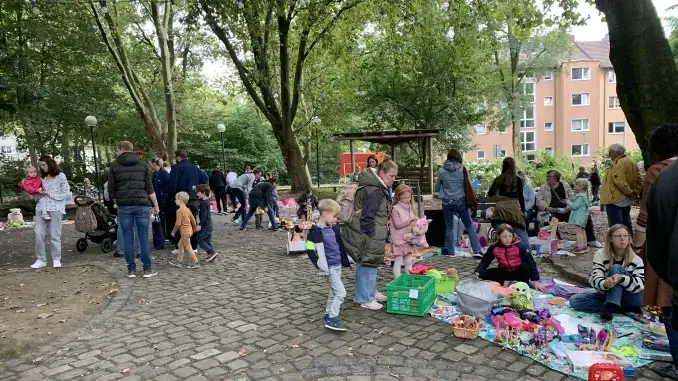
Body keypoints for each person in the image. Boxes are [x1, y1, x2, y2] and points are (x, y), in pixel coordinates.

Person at [644, 124, 678, 380]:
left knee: (668, 305)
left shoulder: (659, 173)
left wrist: (636, 248)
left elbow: (647, 220)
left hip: (671, 258)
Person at [341, 160, 398, 310]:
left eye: (395, 176)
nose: (394, 179)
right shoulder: (375, 190)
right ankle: (364, 298)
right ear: (381, 173)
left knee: (370, 262)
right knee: (367, 261)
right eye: (391, 176)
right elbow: (367, 216)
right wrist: (370, 235)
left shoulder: (375, 186)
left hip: (369, 232)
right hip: (368, 233)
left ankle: (370, 292)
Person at [570, 225, 644, 321]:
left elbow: (640, 285)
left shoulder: (636, 259)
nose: (622, 239)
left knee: (616, 268)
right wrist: (605, 283)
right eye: (618, 236)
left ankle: (610, 307)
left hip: (630, 298)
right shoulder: (601, 254)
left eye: (625, 236)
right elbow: (595, 278)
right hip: (609, 294)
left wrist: (621, 278)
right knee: (575, 300)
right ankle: (618, 309)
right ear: (610, 238)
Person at [108, 141, 160, 278]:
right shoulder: (143, 165)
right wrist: (156, 205)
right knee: (143, 236)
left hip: (124, 206)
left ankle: (131, 269)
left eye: (117, 149)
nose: (116, 152)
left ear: (122, 149)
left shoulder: (114, 166)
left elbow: (111, 190)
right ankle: (147, 269)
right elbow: (149, 188)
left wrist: (116, 202)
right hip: (142, 204)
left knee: (127, 237)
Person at [306, 199, 351, 331]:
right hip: (329, 267)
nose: (336, 219)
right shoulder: (315, 232)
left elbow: (337, 245)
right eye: (335, 216)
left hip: (337, 265)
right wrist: (319, 264)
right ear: (325, 214)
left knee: (333, 292)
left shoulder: (332, 229)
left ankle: (327, 314)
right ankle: (332, 318)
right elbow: (310, 250)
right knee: (341, 293)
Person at [536, 170, 602, 247]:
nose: (548, 178)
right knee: (546, 217)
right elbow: (539, 201)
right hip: (550, 210)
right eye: (547, 176)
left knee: (585, 216)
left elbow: (572, 196)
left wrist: (569, 206)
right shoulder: (543, 187)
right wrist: (549, 208)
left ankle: (592, 240)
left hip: (567, 209)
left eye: (550, 177)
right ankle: (556, 241)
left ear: (556, 178)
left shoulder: (564, 185)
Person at [436, 149, 482, 256]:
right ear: (459, 157)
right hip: (461, 201)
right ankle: (477, 250)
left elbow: (437, 187)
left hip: (447, 203)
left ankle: (451, 252)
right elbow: (469, 185)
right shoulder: (462, 169)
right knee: (469, 225)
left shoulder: (442, 171)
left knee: (449, 227)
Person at [474, 224, 545, 291]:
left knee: (525, 266)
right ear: (499, 236)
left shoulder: (520, 246)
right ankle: (506, 283)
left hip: (519, 273)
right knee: (482, 274)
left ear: (513, 236)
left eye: (510, 236)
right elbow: (485, 260)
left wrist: (535, 281)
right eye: (504, 237)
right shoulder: (494, 248)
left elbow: (531, 262)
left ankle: (523, 284)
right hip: (505, 272)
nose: (508, 239)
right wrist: (478, 270)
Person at [30, 155, 71, 269]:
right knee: (39, 234)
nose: (42, 167)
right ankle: (41, 259)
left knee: (55, 235)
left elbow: (66, 193)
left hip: (56, 208)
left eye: (43, 165)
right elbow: (37, 194)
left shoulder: (60, 176)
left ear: (50, 163)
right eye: (40, 165)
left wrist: (51, 195)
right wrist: (33, 194)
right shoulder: (41, 178)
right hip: (41, 208)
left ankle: (56, 258)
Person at [167, 150, 208, 253]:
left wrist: (172, 197)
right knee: (192, 222)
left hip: (181, 198)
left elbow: (172, 184)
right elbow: (204, 180)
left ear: (177, 157)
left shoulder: (176, 167)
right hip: (194, 198)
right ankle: (193, 246)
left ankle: (179, 246)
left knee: (179, 222)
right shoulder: (195, 168)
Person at [600, 144, 642, 234]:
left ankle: (619, 246)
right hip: (625, 199)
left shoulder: (618, 163)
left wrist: (631, 193)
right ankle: (630, 245)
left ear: (617, 152)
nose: (609, 155)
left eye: (610, 152)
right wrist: (635, 192)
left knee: (616, 226)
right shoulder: (631, 161)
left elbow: (620, 181)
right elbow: (640, 179)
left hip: (615, 200)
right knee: (626, 223)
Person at [487, 157, 529, 245]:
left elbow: (490, 193)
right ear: (514, 166)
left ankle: (501, 253)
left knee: (500, 232)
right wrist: (524, 210)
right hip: (513, 208)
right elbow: (520, 196)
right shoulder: (518, 179)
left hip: (500, 208)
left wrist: (499, 196)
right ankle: (527, 251)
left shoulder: (499, 178)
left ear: (503, 166)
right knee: (521, 231)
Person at [390, 184, 417, 279]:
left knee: (409, 261)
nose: (407, 199)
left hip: (408, 239)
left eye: (409, 197)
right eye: (405, 198)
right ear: (398, 197)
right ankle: (397, 279)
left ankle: (409, 278)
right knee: (398, 260)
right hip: (399, 240)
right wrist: (409, 220)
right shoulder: (395, 209)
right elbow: (397, 225)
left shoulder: (410, 206)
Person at [168, 192, 199, 269]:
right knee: (180, 245)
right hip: (189, 230)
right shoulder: (188, 209)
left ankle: (196, 262)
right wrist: (194, 229)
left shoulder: (179, 211)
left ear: (180, 201)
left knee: (188, 247)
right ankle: (179, 261)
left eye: (176, 199)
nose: (175, 201)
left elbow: (178, 224)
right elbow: (193, 220)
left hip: (184, 232)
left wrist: (173, 231)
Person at [567, 178, 592, 254]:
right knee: (582, 231)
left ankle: (580, 247)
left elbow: (574, 206)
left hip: (578, 217)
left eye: (576, 184)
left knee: (578, 232)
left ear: (581, 186)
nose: (575, 186)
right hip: (583, 216)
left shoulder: (580, 196)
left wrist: (568, 202)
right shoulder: (585, 195)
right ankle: (584, 245)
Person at [195, 184, 219, 262]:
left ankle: (211, 252)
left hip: (205, 225)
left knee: (200, 239)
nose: (197, 194)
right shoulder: (207, 201)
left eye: (198, 193)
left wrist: (200, 225)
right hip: (209, 224)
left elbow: (204, 215)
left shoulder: (203, 203)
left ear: (203, 192)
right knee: (207, 241)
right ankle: (211, 255)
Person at [150, 158, 170, 234]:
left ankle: (163, 233)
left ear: (154, 163)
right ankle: (160, 233)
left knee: (162, 216)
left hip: (162, 199)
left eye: (151, 163)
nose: (150, 165)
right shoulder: (155, 173)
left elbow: (168, 186)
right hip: (157, 198)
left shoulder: (164, 173)